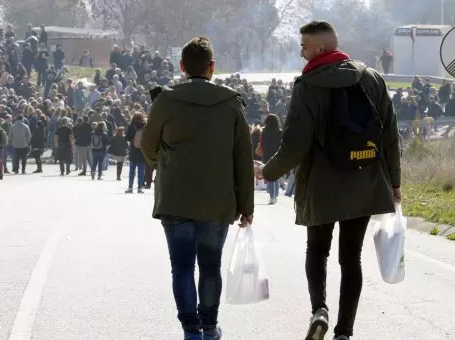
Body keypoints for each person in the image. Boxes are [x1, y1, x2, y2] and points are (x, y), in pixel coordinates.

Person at [256, 21, 401, 340]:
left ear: (320, 48)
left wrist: (267, 172)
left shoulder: (307, 85)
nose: (300, 52)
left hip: (321, 183)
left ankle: (319, 309)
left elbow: (295, 144)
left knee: (317, 250)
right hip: (364, 178)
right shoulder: (371, 78)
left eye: (304, 46)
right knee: (352, 258)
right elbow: (389, 133)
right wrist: (394, 181)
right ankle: (344, 332)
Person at [140, 36, 255, 340]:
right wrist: (246, 205)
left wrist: (163, 161)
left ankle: (191, 330)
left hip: (176, 197)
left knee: (181, 267)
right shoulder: (231, 103)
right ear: (212, 67)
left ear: (181, 66)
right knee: (210, 266)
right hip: (217, 201)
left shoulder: (166, 100)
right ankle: (210, 325)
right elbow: (243, 157)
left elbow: (148, 144)